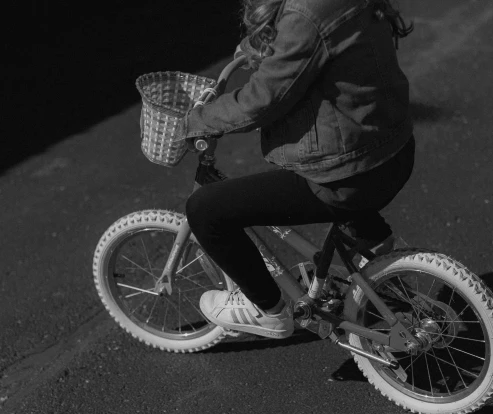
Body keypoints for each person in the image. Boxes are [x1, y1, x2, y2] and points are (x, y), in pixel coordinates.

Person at [178, 0, 415, 339]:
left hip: (349, 176)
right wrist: (258, 49)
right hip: (392, 149)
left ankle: (268, 311)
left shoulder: (304, 15)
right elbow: (311, 52)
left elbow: (262, 101)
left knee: (206, 210)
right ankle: (372, 242)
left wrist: (199, 121)